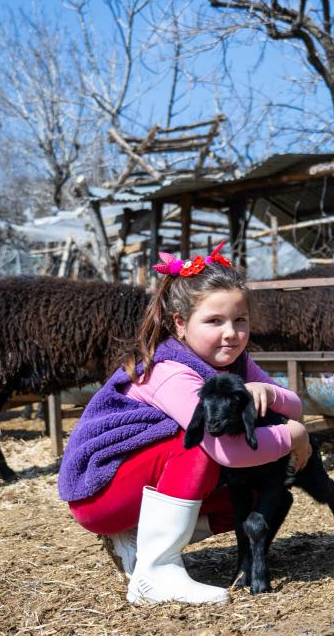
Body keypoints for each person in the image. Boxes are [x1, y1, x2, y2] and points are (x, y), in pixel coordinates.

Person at [57, 242, 312, 605]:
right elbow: (226, 450)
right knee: (199, 438)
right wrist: (293, 435)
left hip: (136, 489)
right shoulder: (170, 370)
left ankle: (140, 541)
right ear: (180, 323)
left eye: (240, 320)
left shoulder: (234, 363)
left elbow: (295, 404)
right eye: (214, 321)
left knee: (259, 490)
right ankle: (155, 574)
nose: (231, 333)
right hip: (100, 492)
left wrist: (269, 394)